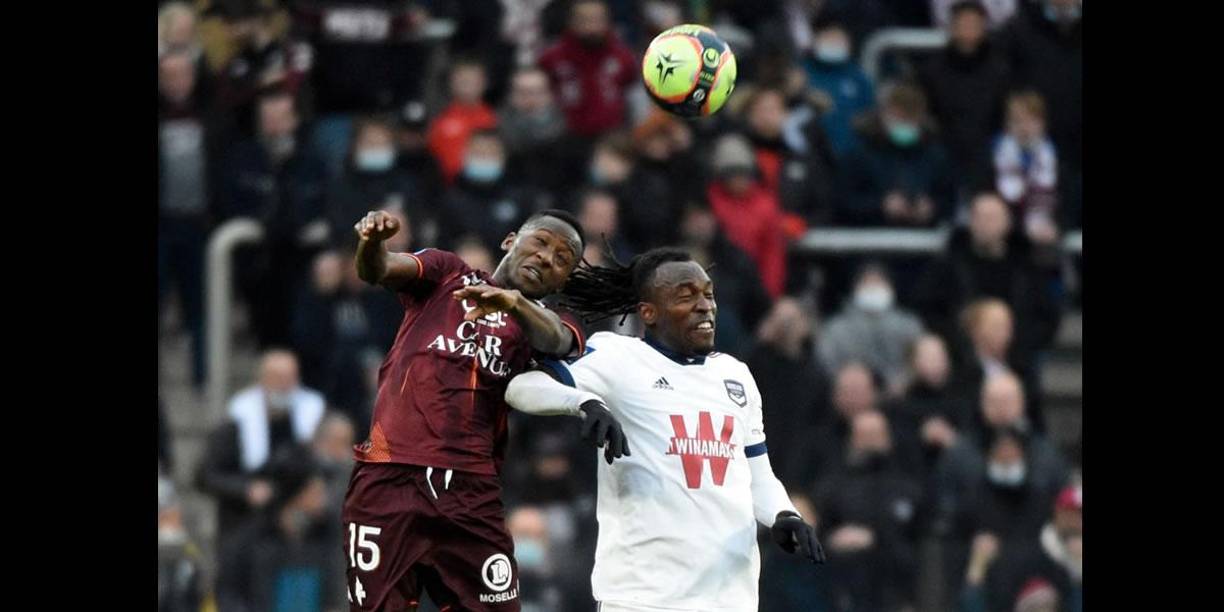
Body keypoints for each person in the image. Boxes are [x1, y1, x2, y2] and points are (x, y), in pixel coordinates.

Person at [505, 247, 827, 612]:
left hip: (729, 596)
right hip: (643, 596)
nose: (705, 305)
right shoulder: (618, 358)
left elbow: (758, 475)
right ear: (649, 313)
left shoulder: (735, 375)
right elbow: (522, 388)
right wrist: (583, 403)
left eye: (707, 294)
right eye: (685, 296)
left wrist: (784, 515)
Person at [340, 208, 626, 611]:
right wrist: (372, 243)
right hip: (389, 476)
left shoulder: (548, 324)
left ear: (565, 278)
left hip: (470, 494)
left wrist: (514, 305)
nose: (547, 258)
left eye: (563, 259)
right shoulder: (447, 274)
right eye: (541, 242)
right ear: (511, 241)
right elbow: (379, 269)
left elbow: (558, 341)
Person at [197, 350, 326, 539]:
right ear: (262, 379)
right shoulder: (237, 420)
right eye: (278, 378)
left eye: (290, 378)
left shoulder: (315, 416)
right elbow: (206, 475)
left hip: (299, 528)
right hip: (246, 523)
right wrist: (246, 489)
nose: (284, 385)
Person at [814, 410, 924, 612]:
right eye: (863, 436)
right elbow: (818, 535)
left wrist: (875, 540)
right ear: (852, 440)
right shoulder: (832, 487)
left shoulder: (909, 489)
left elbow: (920, 544)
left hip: (895, 591)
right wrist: (832, 541)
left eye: (875, 435)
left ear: (888, 439)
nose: (870, 443)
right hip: (842, 590)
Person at [918, 0, 1012, 192]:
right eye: (963, 24)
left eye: (974, 24)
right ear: (951, 27)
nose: (968, 30)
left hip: (987, 156)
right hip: (943, 154)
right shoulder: (931, 71)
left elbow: (1004, 116)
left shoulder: (1001, 71)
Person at [837, 82, 956, 227]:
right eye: (899, 117)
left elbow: (949, 200)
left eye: (910, 118)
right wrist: (881, 205)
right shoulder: (859, 155)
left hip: (924, 239)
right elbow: (843, 201)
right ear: (883, 115)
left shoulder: (936, 157)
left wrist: (932, 207)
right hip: (871, 237)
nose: (904, 124)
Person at [745, 298, 831, 486]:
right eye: (780, 320)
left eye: (791, 321)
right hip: (761, 454)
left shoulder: (816, 373)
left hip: (800, 462)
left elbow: (820, 424)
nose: (785, 328)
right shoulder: (758, 363)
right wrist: (760, 342)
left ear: (805, 325)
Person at [817, 262, 926, 397]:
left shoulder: (910, 325)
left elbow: (920, 359)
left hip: (904, 397)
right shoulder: (835, 329)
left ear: (890, 288)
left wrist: (905, 381)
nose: (873, 289)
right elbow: (827, 363)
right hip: (851, 397)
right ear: (855, 289)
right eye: (867, 284)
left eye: (879, 283)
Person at [536, 0, 637, 139]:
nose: (592, 27)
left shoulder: (623, 56)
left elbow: (633, 95)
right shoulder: (551, 58)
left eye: (598, 19)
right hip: (565, 136)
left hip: (613, 136)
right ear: (571, 22)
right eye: (585, 20)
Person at [706, 133, 789, 298]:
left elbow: (772, 254)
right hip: (718, 282)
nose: (739, 180)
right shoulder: (710, 200)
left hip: (753, 283)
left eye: (743, 173)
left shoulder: (765, 205)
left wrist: (769, 294)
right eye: (732, 174)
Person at [802, 15, 875, 159]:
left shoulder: (857, 76)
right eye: (829, 37)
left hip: (851, 154)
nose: (834, 42)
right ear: (815, 38)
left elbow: (870, 113)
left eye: (839, 38)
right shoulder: (801, 73)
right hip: (810, 154)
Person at [993, 91, 1061, 248]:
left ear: (1042, 123)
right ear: (1007, 124)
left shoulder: (1058, 160)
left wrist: (1058, 227)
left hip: (1048, 242)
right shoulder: (991, 159)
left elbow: (1068, 202)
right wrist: (1022, 230)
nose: (1025, 127)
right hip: (1006, 245)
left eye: (1031, 121)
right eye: (1018, 121)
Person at [427, 60, 500, 185]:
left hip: (491, 184)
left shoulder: (494, 118)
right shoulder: (440, 119)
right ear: (452, 84)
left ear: (484, 83)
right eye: (462, 81)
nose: (467, 85)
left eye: (473, 81)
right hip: (450, 186)